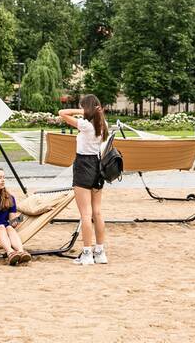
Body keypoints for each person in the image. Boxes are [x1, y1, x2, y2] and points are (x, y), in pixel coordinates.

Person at [58, 94, 109, 265]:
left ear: (87, 108)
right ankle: (100, 252)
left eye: (83, 107)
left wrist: (81, 111)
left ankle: (87, 253)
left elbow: (62, 113)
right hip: (97, 165)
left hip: (83, 165)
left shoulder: (86, 125)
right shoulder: (102, 124)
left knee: (85, 214)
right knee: (97, 212)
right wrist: (90, 111)